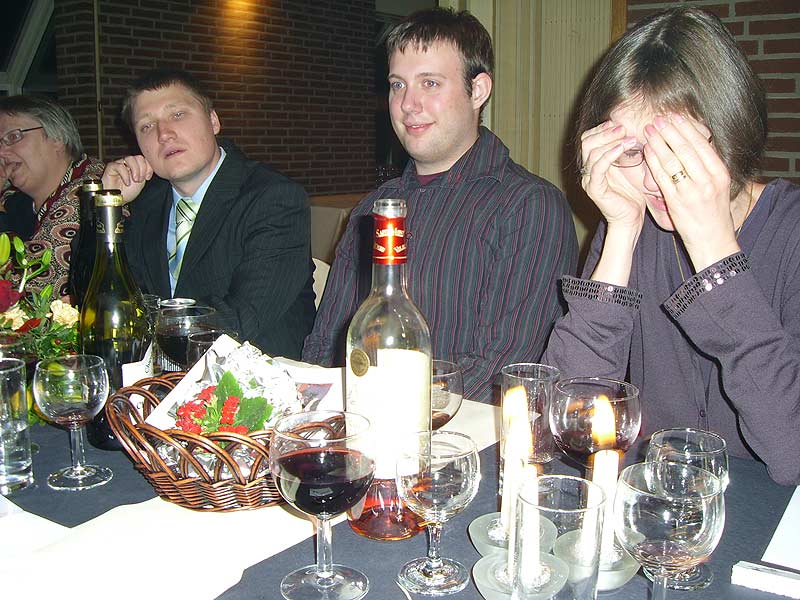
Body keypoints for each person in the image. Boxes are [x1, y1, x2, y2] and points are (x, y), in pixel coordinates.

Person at [543, 7, 800, 486]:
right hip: (653, 511)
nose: (652, 179)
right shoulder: (631, 223)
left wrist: (715, 253)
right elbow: (561, 421)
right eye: (631, 153)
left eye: (673, 152)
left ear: (730, 130)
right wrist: (621, 233)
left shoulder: (792, 232)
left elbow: (792, 453)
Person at [304, 8, 578, 402]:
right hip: (354, 424)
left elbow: (500, 372)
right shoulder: (372, 210)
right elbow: (326, 345)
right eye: (397, 85)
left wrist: (388, 414)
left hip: (459, 434)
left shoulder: (529, 207)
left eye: (429, 83)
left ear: (478, 91)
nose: (408, 104)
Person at [100, 69, 315, 359]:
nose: (164, 134)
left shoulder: (273, 198)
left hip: (257, 376)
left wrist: (134, 322)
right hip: (161, 377)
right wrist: (109, 206)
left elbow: (242, 317)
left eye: (177, 115)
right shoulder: (147, 204)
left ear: (213, 121)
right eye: (147, 126)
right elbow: (96, 294)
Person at [0, 96, 104, 296]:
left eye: (13, 137)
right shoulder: (13, 199)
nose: (2, 152)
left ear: (57, 138)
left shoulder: (91, 190)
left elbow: (28, 287)